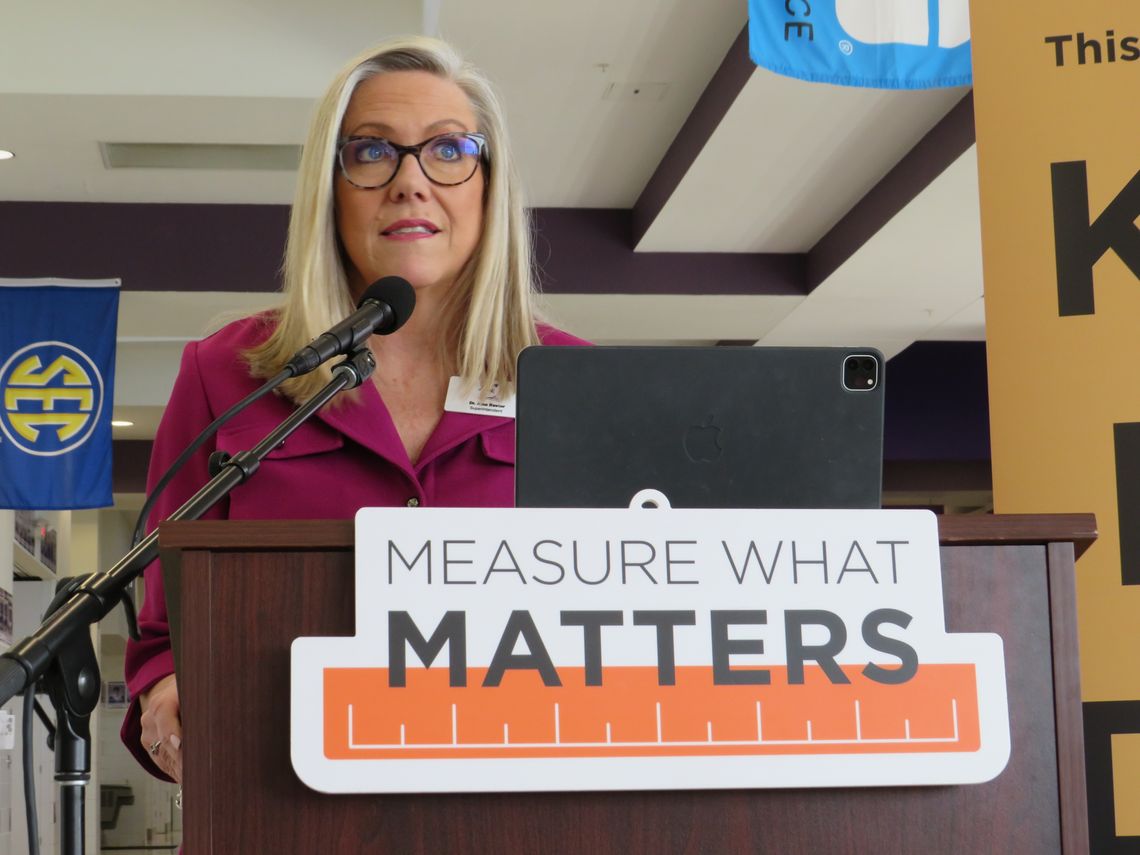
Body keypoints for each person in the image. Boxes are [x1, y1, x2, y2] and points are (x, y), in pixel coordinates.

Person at [122, 35, 587, 783]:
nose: (411, 183)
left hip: (519, 797)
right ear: (330, 185)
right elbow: (164, 626)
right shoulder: (223, 371)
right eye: (372, 152)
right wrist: (167, 687)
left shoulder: (577, 382)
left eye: (448, 150)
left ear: (489, 186)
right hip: (278, 794)